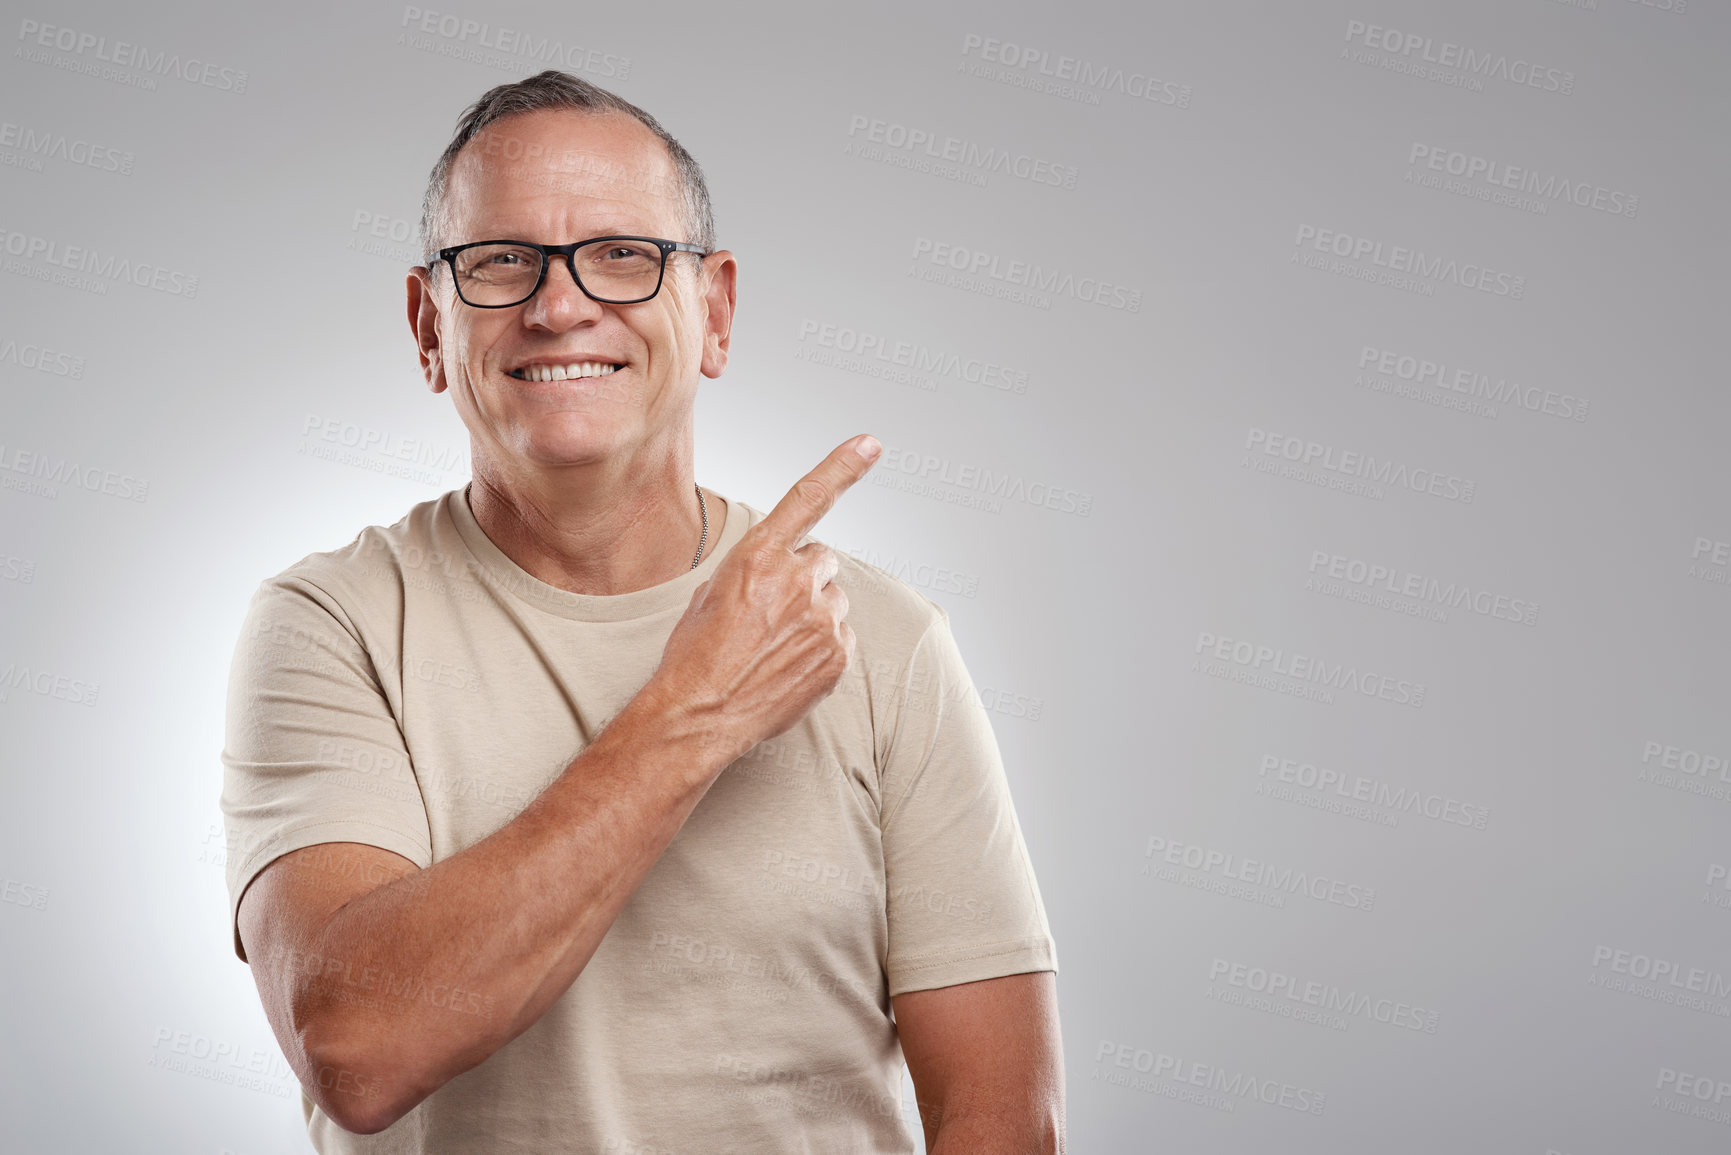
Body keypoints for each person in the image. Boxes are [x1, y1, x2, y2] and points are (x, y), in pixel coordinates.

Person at [220, 69, 1061, 1154]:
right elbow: (358, 1046)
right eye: (500, 260)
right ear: (430, 327)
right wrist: (699, 708)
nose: (559, 304)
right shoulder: (329, 626)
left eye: (623, 254)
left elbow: (1002, 1116)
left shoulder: (883, 639)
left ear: (711, 310)